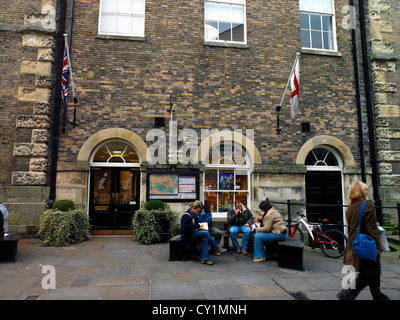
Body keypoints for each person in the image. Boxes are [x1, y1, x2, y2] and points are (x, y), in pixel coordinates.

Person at [337, 181, 389, 300]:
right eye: (365, 190)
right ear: (361, 192)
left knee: (371, 274)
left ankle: (378, 296)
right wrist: (377, 246)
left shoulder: (350, 207)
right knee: (369, 274)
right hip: (368, 245)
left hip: (355, 244)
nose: (367, 192)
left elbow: (351, 227)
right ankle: (347, 294)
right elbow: (371, 229)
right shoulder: (367, 205)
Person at [180, 201, 226, 265]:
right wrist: (198, 226)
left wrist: (198, 226)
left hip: (193, 232)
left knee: (204, 238)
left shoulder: (193, 215)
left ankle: (205, 259)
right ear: (194, 209)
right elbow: (185, 227)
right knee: (205, 233)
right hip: (188, 235)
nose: (198, 213)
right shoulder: (186, 216)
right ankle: (216, 248)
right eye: (197, 211)